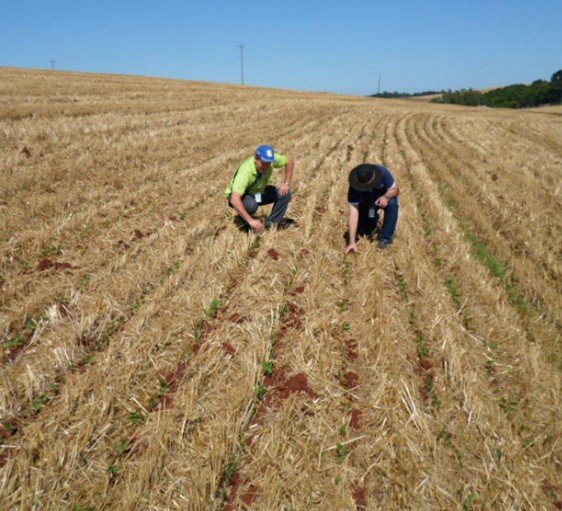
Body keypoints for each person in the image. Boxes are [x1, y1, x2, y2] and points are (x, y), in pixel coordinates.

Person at [225, 145, 295, 233]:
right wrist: (251, 221)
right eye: (263, 163)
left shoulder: (270, 160)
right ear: (256, 159)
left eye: (268, 164)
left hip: (257, 192)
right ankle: (244, 220)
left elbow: (289, 161)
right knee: (251, 205)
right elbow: (234, 199)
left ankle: (272, 225)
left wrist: (286, 183)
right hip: (241, 196)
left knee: (284, 194)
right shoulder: (245, 172)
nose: (266, 166)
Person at [346, 163, 399, 253]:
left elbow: (395, 190)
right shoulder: (354, 185)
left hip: (383, 198)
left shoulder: (382, 172)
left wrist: (386, 197)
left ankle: (385, 238)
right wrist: (352, 242)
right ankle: (371, 221)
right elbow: (353, 212)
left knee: (393, 204)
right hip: (365, 203)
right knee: (365, 230)